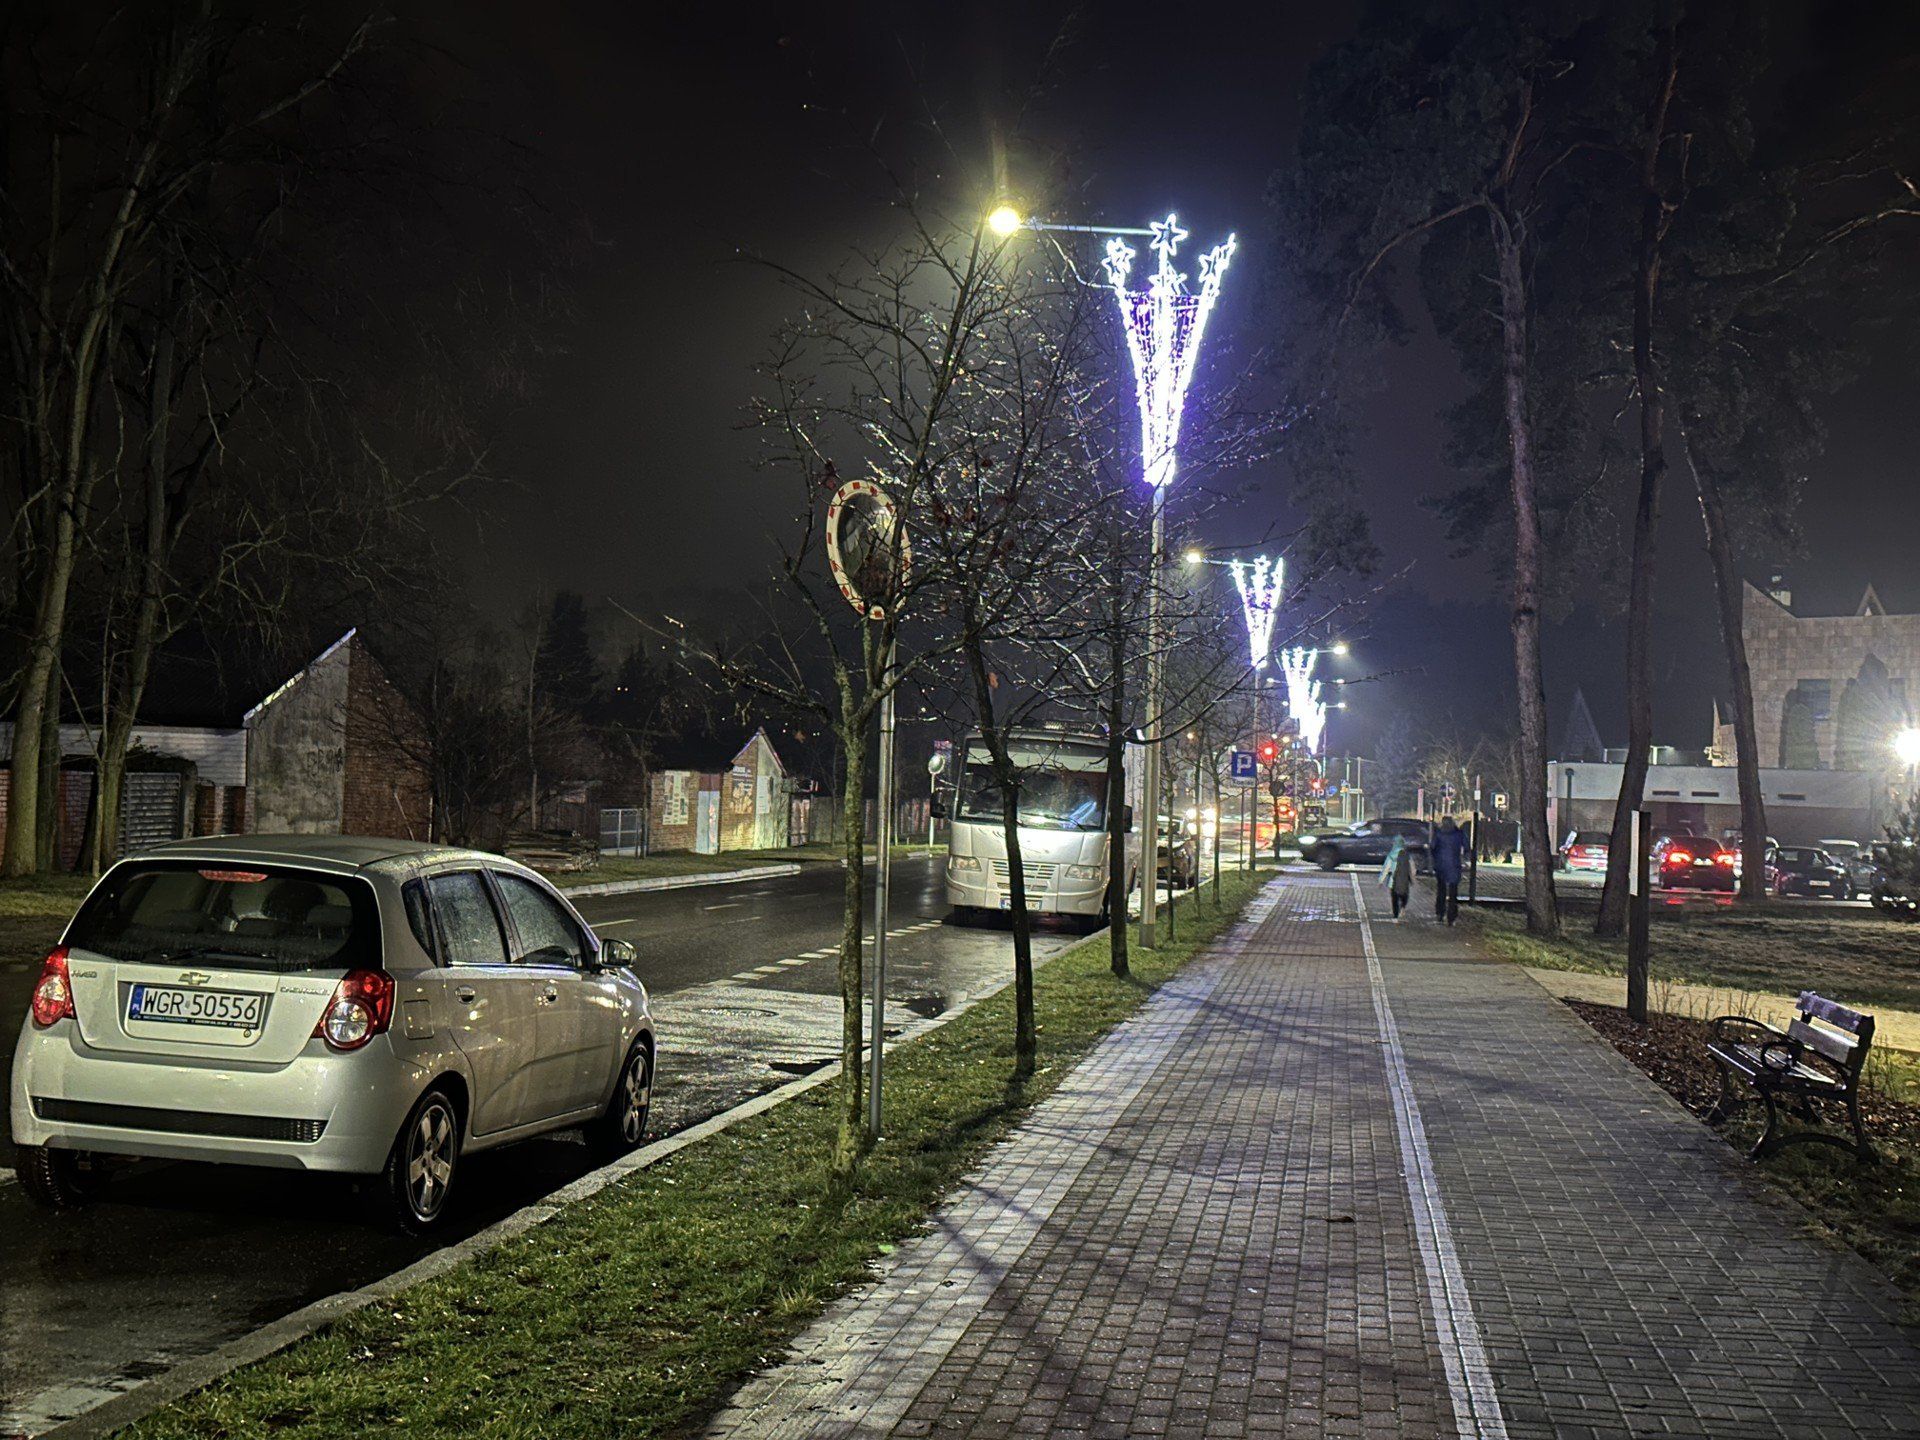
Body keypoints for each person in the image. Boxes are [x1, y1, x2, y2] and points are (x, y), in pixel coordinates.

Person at [1430, 815, 1469, 924]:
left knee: (1441, 890)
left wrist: (1435, 858)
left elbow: (1432, 847)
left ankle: (1440, 913)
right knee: (1453, 892)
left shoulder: (1438, 833)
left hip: (1441, 865)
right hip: (1454, 865)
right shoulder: (1458, 834)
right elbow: (1466, 847)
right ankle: (1451, 916)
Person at [1380, 833, 1414, 918]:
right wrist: (1412, 878)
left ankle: (1395, 914)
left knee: (1394, 897)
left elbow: (1386, 868)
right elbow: (1412, 868)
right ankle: (1402, 908)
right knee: (1404, 895)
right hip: (1404, 879)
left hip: (1393, 880)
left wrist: (1381, 880)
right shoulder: (1407, 854)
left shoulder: (1391, 854)